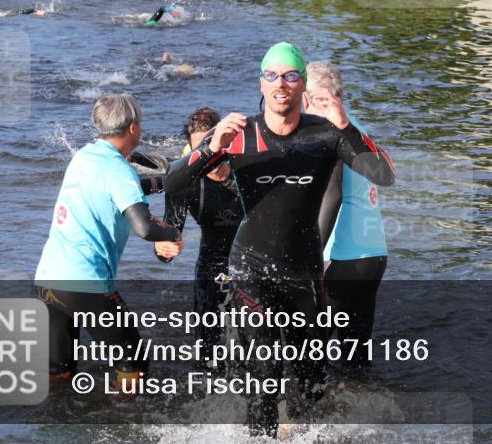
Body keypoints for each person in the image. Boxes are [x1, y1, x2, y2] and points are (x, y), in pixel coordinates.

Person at [163, 42, 396, 437]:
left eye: (290, 75)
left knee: (310, 379)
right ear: (262, 82)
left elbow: (383, 174)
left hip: (303, 274)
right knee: (265, 373)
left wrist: (347, 126)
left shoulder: (325, 136)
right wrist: (209, 147)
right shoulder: (240, 135)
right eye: (272, 75)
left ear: (302, 86)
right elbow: (172, 181)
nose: (280, 83)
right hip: (251, 269)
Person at [34, 93, 182, 389]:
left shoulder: (84, 156)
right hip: (85, 285)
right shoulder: (119, 170)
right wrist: (172, 234)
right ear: (132, 128)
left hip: (48, 281)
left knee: (58, 372)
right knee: (134, 362)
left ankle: (54, 427)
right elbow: (143, 227)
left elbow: (118, 188)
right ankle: (126, 424)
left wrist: (163, 183)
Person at [305, 62, 388, 372]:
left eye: (304, 95)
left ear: (317, 97)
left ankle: (301, 417)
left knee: (307, 351)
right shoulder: (357, 129)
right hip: (374, 255)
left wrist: (310, 262)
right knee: (355, 356)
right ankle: (363, 413)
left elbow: (333, 195)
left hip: (342, 258)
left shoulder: (330, 134)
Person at [144, 108, 244, 356]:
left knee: (255, 351)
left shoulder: (247, 173)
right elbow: (169, 239)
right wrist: (163, 247)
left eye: (210, 147)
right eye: (199, 151)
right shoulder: (186, 185)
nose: (205, 157)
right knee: (207, 356)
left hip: (250, 267)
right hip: (210, 267)